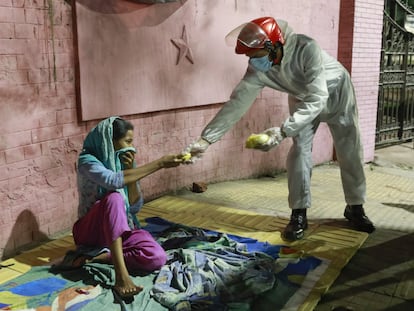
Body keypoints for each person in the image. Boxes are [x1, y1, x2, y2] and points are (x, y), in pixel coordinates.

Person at [184, 17, 375, 241]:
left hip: (336, 93)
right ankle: (298, 213)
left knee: (349, 150)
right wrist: (205, 140)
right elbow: (237, 103)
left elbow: (318, 96)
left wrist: (283, 130)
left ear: (272, 46)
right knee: (300, 152)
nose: (252, 61)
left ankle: (355, 206)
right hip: (302, 97)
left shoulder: (306, 48)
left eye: (254, 55)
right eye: (249, 56)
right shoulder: (259, 69)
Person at [70, 116, 184, 298]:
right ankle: (121, 276)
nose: (132, 147)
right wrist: (160, 163)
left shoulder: (121, 163)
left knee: (157, 257)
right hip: (90, 231)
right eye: (127, 141)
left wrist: (130, 168)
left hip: (117, 232)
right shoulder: (87, 160)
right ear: (110, 142)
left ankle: (101, 256)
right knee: (114, 197)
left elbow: (134, 208)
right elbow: (112, 181)